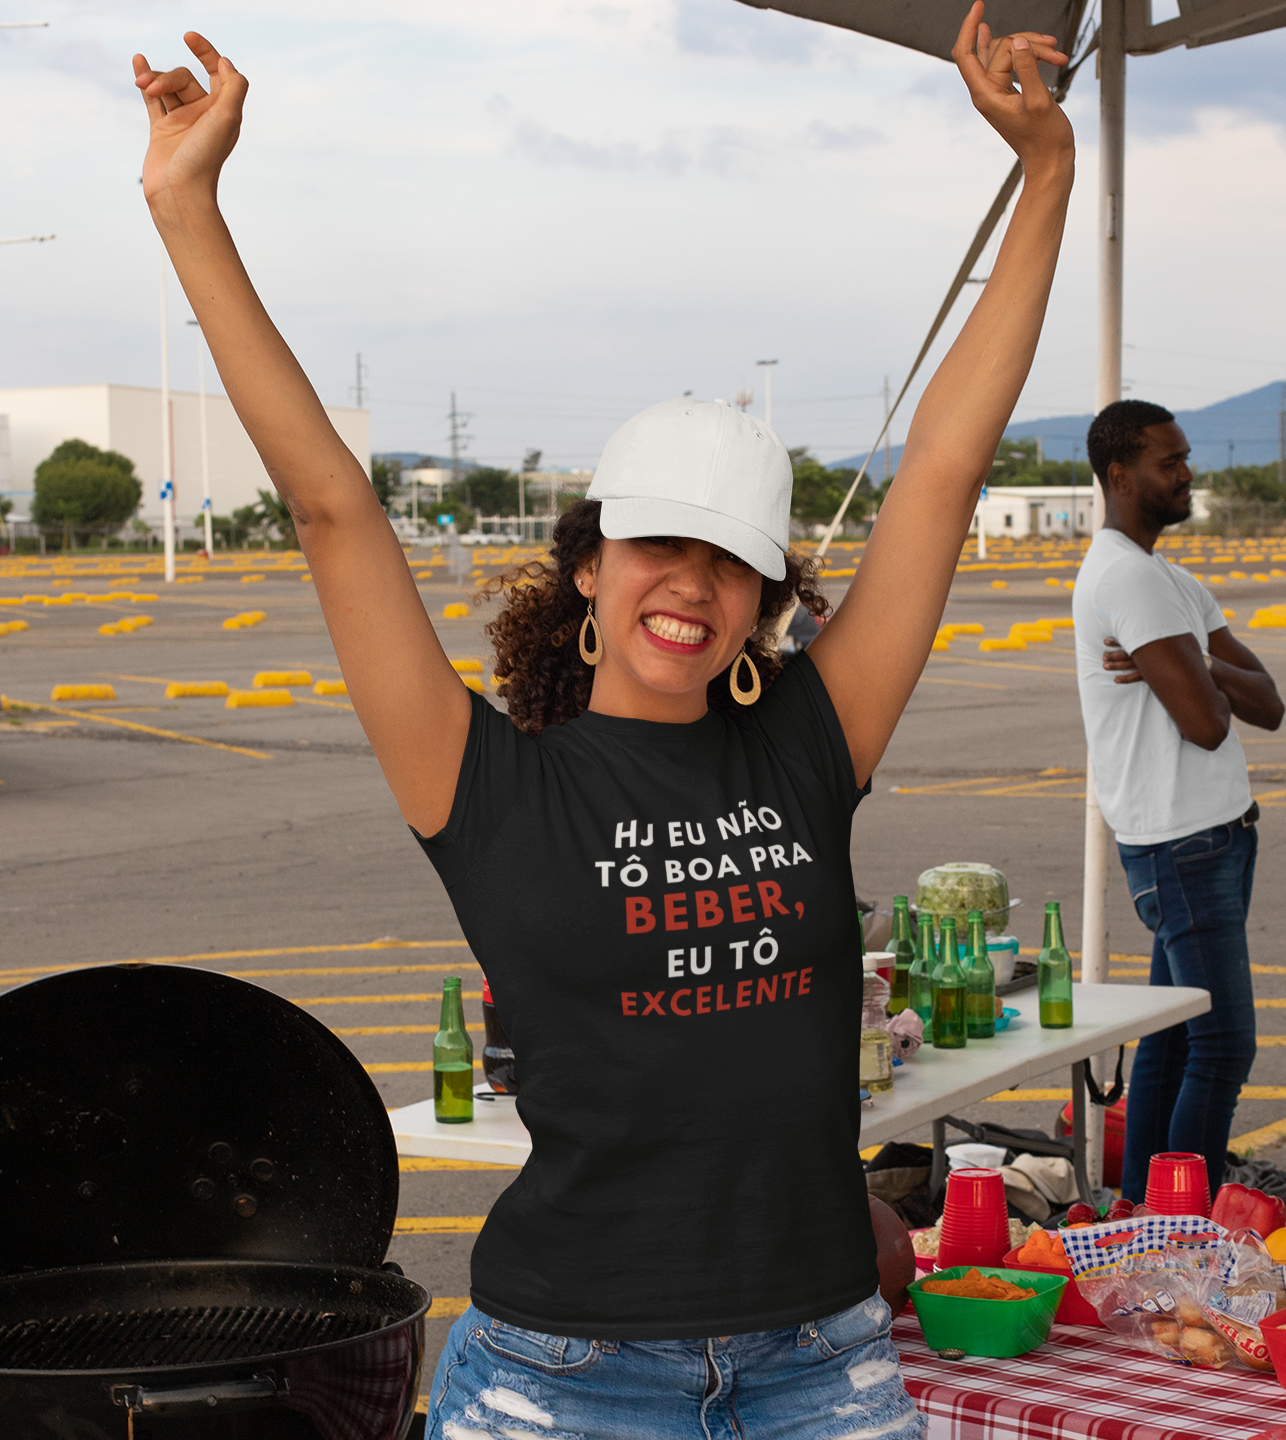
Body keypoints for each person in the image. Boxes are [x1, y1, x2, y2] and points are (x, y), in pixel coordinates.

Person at [132, 8, 1075, 1435]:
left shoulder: (813, 740)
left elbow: (943, 466)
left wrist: (1047, 173)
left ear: (766, 596)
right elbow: (335, 510)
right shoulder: (490, 787)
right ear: (590, 564)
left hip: (824, 1364)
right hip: (565, 1379)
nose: (688, 584)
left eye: (730, 562)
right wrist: (186, 206)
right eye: (654, 546)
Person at [1073, 401, 1286, 1204]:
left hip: (1215, 837)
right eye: (1170, 462)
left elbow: (1267, 703)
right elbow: (1205, 724)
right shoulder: (1129, 576)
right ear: (1120, 477)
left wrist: (1195, 658)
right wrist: (1204, 675)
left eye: (1186, 456)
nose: (1187, 472)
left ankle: (1138, 1212)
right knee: (1224, 1043)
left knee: (1168, 1044)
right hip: (1183, 843)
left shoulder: (1171, 581)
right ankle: (1186, 1222)